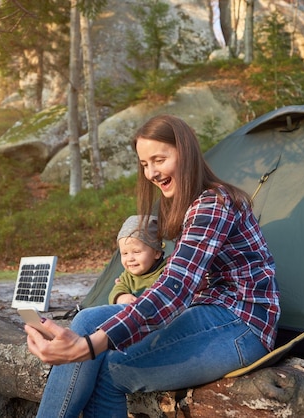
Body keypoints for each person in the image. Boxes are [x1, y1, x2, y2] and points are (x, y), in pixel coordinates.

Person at [25, 114, 280, 418]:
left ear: (185, 153)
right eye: (145, 164)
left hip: (241, 324)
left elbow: (175, 289)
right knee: (85, 321)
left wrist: (90, 347)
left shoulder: (214, 204)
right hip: (206, 310)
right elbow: (175, 283)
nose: (151, 173)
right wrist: (118, 305)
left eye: (159, 159)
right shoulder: (188, 204)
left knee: (111, 368)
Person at [109, 215, 166, 305]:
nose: (130, 258)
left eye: (136, 252)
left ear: (157, 253)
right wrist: (121, 297)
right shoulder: (128, 277)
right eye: (124, 253)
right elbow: (118, 289)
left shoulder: (166, 271)